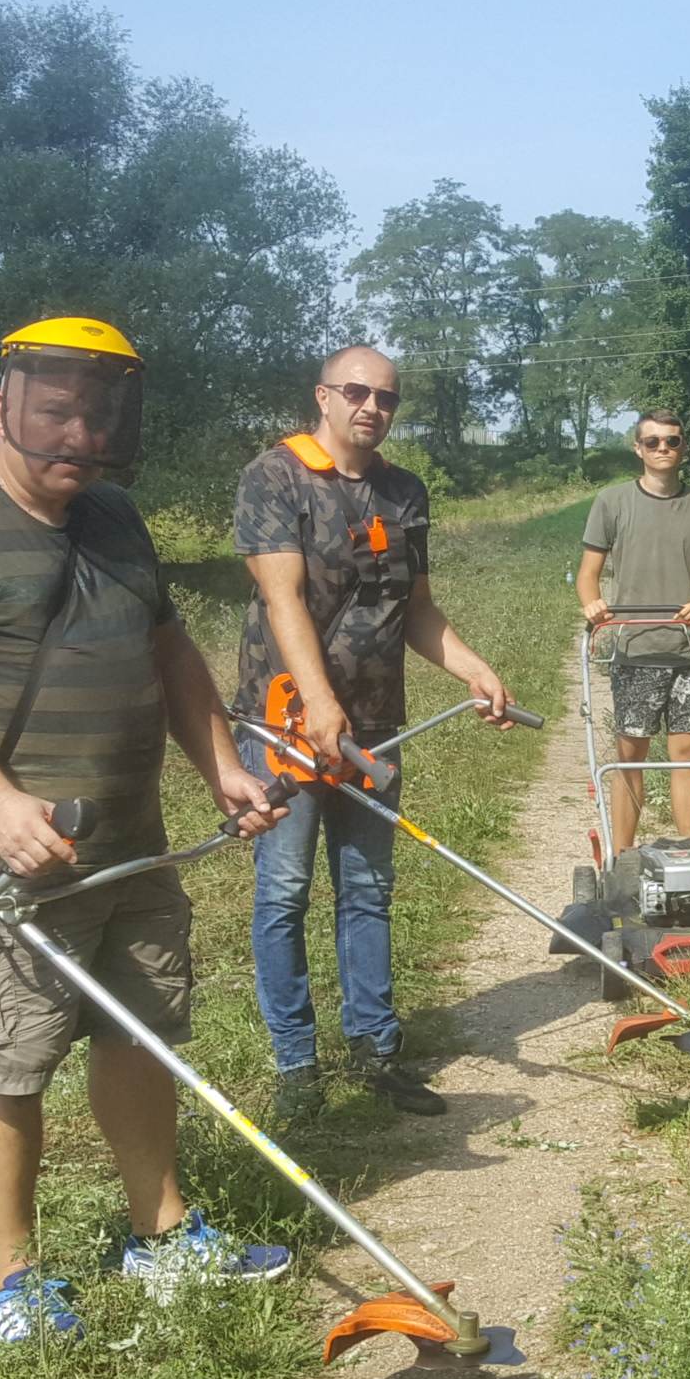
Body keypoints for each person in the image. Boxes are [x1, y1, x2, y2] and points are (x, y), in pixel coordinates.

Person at [0, 316, 294, 1344]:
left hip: (131, 842)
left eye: (97, 416)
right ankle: (14, 1282)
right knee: (7, 1061)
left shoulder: (114, 516)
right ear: (3, 405)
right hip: (1, 860)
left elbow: (169, 650)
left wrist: (225, 767)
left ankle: (162, 1233)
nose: (78, 434)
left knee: (144, 1033)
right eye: (56, 410)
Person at [231, 345, 517, 1122]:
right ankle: (298, 1068)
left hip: (378, 726)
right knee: (284, 890)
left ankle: (377, 1049)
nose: (372, 407)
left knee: (367, 889)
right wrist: (320, 705)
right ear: (323, 396)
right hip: (287, 721)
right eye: (356, 392)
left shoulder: (403, 490)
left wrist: (472, 668)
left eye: (386, 398)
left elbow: (416, 609)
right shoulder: (275, 476)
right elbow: (282, 598)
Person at [575, 408, 690, 846]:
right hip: (635, 647)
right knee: (630, 756)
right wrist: (593, 604)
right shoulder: (612, 502)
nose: (663, 449)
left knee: (688, 756)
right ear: (638, 448)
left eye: (672, 442)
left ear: (684, 449)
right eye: (654, 441)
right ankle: (622, 859)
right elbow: (588, 574)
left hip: (686, 650)